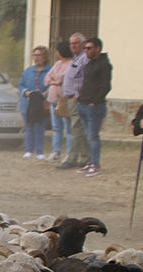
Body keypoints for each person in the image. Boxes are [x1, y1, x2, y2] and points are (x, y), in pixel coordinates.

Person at [76, 37, 112, 177]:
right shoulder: (89, 64)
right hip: (83, 103)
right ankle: (90, 162)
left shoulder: (104, 64)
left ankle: (96, 164)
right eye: (85, 48)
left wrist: (95, 102)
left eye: (89, 48)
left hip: (94, 106)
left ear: (98, 49)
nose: (86, 50)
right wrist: (80, 99)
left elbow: (105, 86)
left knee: (93, 136)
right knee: (87, 135)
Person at [56, 32, 90, 170]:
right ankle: (86, 157)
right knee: (78, 129)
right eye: (71, 43)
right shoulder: (75, 59)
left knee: (75, 129)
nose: (73, 45)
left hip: (77, 99)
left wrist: (78, 95)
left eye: (76, 43)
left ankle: (72, 158)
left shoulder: (84, 59)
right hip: (69, 99)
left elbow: (86, 79)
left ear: (83, 43)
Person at [18, 46, 51, 159]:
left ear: (45, 57)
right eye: (34, 55)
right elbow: (21, 84)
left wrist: (47, 93)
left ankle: (40, 151)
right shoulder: (28, 71)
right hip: (27, 104)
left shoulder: (50, 70)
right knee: (29, 127)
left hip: (42, 104)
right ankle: (29, 150)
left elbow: (54, 85)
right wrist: (26, 92)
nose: (36, 58)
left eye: (39, 55)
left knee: (40, 127)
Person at [43, 41, 73, 163]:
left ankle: (69, 152)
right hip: (53, 100)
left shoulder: (72, 64)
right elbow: (46, 78)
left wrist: (55, 79)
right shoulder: (58, 63)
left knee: (68, 127)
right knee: (56, 127)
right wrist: (54, 80)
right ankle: (56, 151)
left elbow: (63, 79)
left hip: (64, 99)